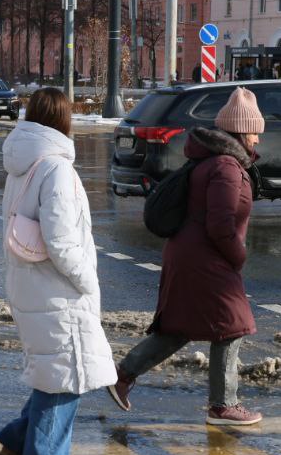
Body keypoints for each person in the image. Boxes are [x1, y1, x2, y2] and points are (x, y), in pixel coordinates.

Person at [108, 87, 265, 427]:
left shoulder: (215, 160)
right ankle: (224, 405)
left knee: (180, 325)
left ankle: (122, 375)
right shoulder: (225, 166)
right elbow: (220, 224)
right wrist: (238, 256)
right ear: (240, 130)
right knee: (231, 325)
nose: (257, 138)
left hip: (192, 254)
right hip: (206, 259)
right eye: (254, 131)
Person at [0, 88, 116, 455]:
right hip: (57, 292)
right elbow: (62, 242)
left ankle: (19, 440)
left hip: (30, 286)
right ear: (64, 121)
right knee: (64, 377)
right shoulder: (58, 170)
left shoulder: (23, 164)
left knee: (54, 372)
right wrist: (86, 279)